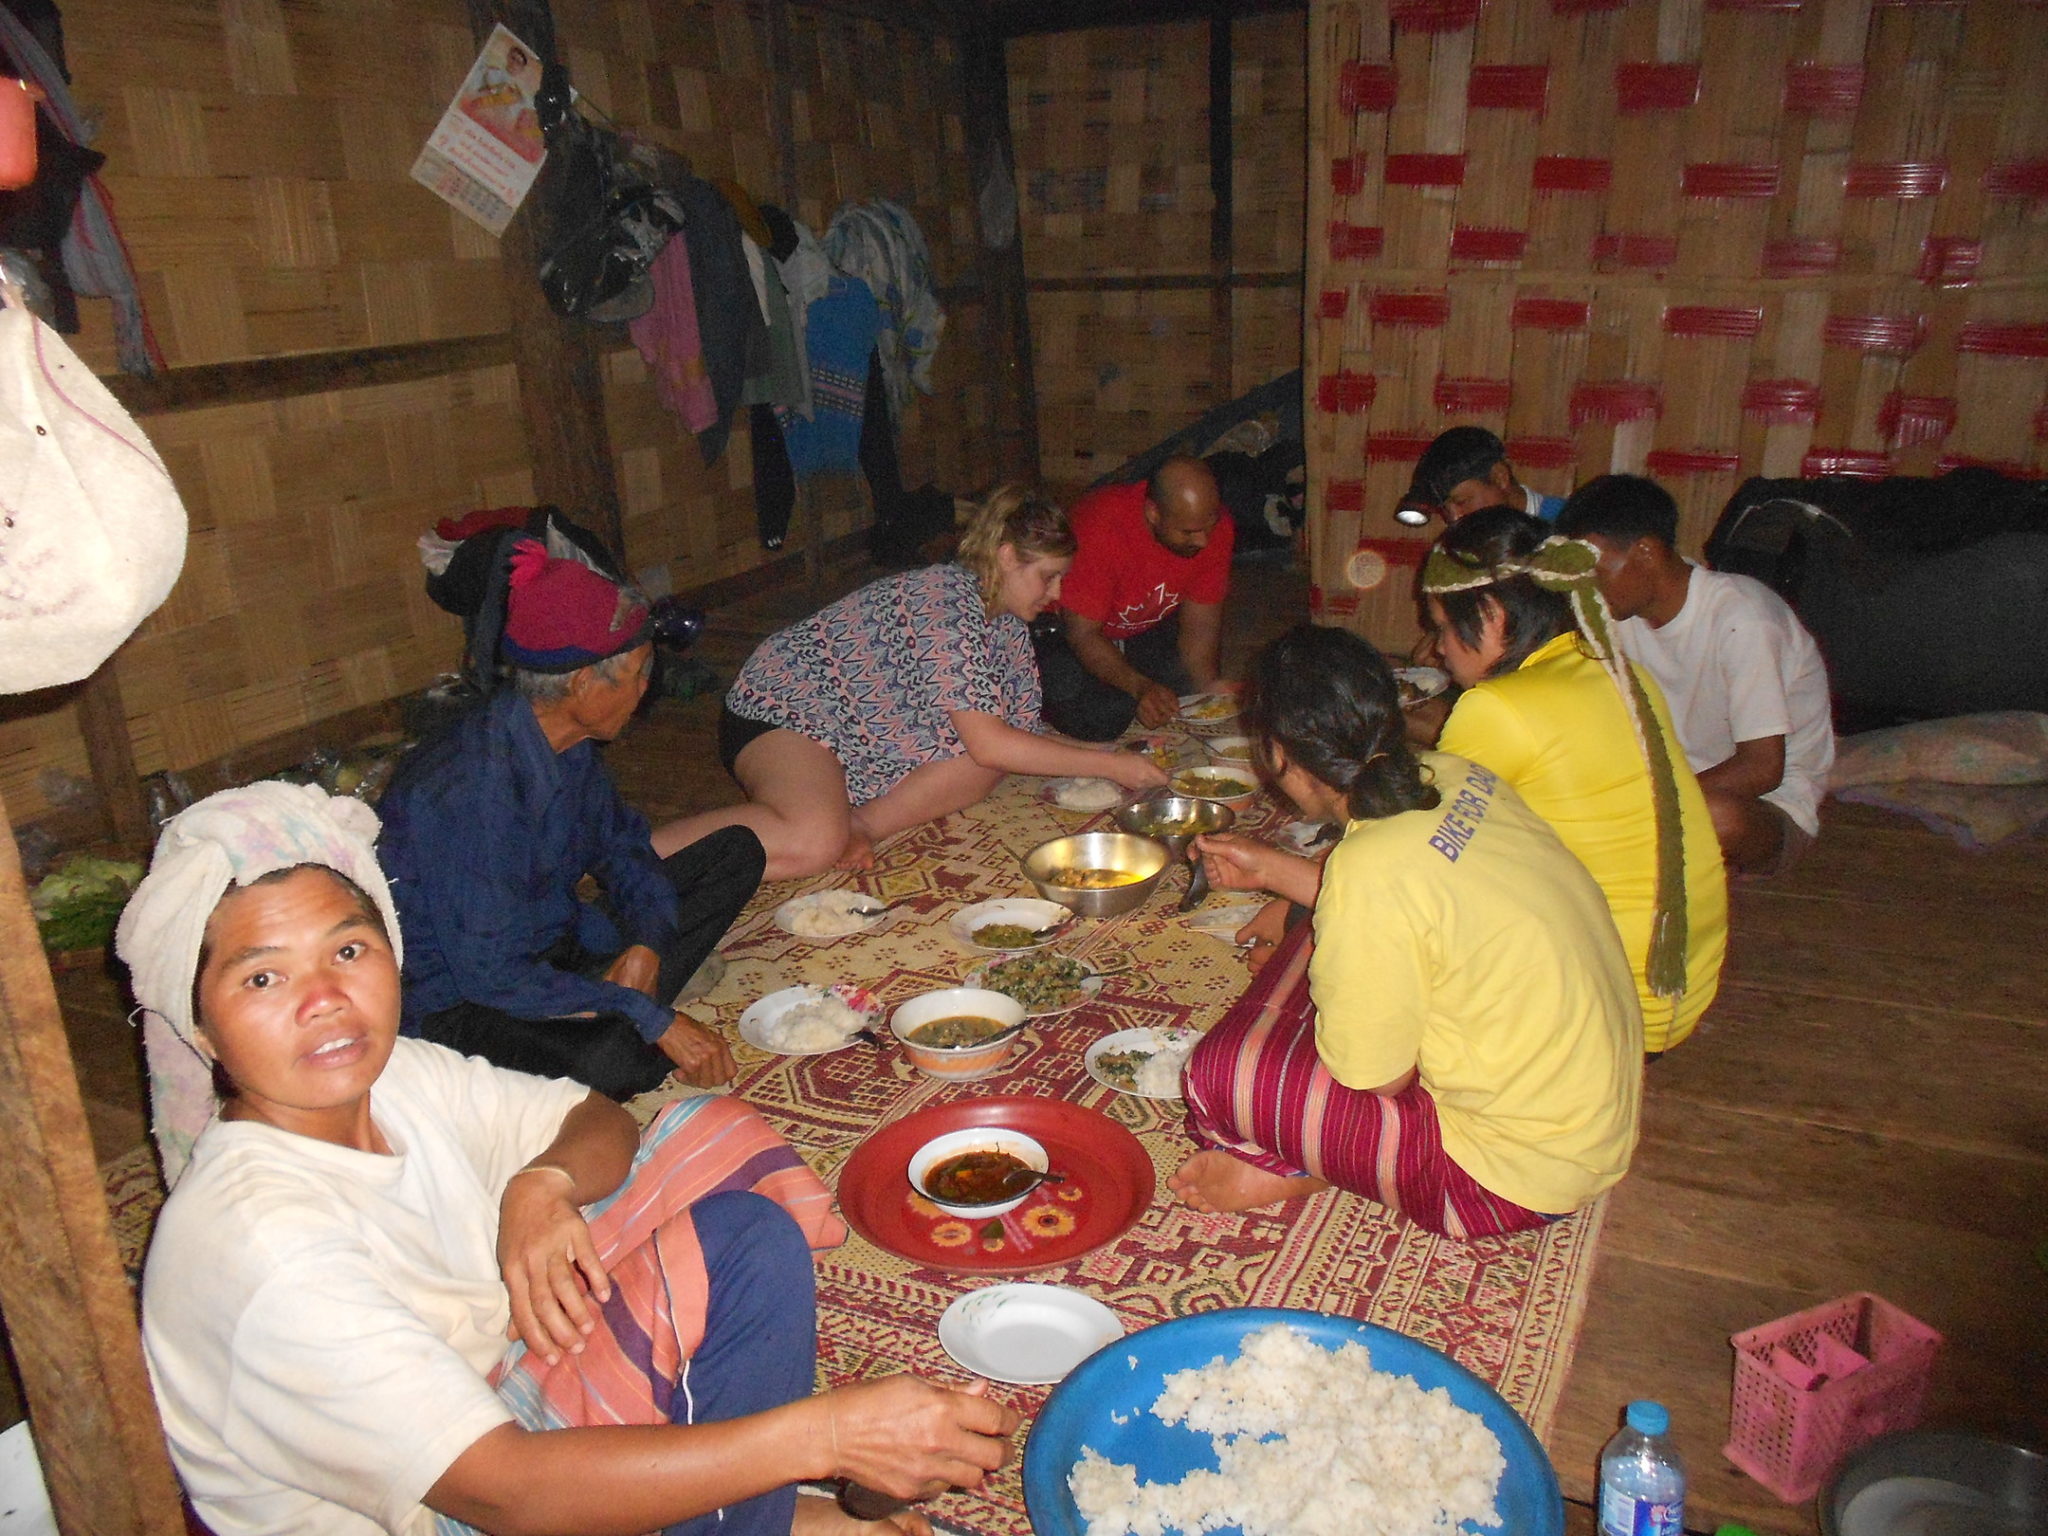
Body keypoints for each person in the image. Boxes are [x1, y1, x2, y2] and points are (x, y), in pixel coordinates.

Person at [118, 783, 1017, 1536]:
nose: (324, 1000)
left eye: (348, 951)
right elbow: (503, 1491)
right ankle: (754, 1505)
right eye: (262, 977)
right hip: (455, 1507)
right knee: (753, 1331)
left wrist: (539, 1187)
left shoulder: (397, 1077)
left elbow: (595, 1119)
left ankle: (749, 1508)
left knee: (720, 1153)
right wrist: (823, 1439)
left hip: (494, 1380)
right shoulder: (260, 1246)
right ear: (199, 1023)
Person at [1166, 628, 1642, 1235]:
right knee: (1319, 931)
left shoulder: (1370, 872)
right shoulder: (1455, 774)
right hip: (1588, 1118)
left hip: (1507, 1179)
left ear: (1280, 755)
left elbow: (1378, 1079)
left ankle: (1314, 1167)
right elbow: (1418, 899)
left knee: (1218, 1076)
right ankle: (1336, 1157)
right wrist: (1270, 870)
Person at [377, 540, 760, 1101]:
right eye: (637, 673)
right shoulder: (466, 796)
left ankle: (615, 999)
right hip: (468, 1000)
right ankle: (612, 1017)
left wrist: (648, 942)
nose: (646, 687)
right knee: (621, 1062)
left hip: (553, 944)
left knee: (736, 852)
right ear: (584, 684)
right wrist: (647, 1016)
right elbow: (491, 975)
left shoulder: (569, 742)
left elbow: (623, 848)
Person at [652, 485, 1167, 879]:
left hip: (855, 739)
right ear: (1008, 557)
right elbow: (990, 741)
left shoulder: (1006, 623)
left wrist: (1111, 754)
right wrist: (1110, 763)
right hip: (786, 713)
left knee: (985, 764)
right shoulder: (944, 599)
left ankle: (863, 824)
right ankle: (635, 857)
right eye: (1048, 576)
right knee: (814, 841)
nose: (1055, 593)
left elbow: (1017, 737)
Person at [1419, 508, 1728, 1055]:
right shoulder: (1619, 672)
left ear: (1490, 615)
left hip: (1613, 1006)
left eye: (1444, 627)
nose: (1437, 647)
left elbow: (1416, 851)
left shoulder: (1497, 708)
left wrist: (1301, 886)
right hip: (1681, 983)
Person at [1556, 474, 1836, 874]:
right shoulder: (1619, 615)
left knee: (1719, 818)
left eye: (1595, 571)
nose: (1585, 587)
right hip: (1666, 784)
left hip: (1766, 805)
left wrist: (1638, 807)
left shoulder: (1743, 617)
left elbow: (1762, 768)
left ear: (1647, 553)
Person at [1032, 455, 1236, 740]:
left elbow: (1200, 627)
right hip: (1065, 626)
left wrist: (1208, 691)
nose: (1203, 540)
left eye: (1209, 524)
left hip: (1139, 624)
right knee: (1103, 716)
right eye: (1188, 532)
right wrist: (1139, 687)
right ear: (1153, 513)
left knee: (1180, 697)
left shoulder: (1215, 528)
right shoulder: (1100, 526)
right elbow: (1083, 634)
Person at [1398, 426, 1565, 527]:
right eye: (1445, 510)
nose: (1454, 518)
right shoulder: (1460, 549)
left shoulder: (1570, 527)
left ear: (1500, 478)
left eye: (1461, 502)